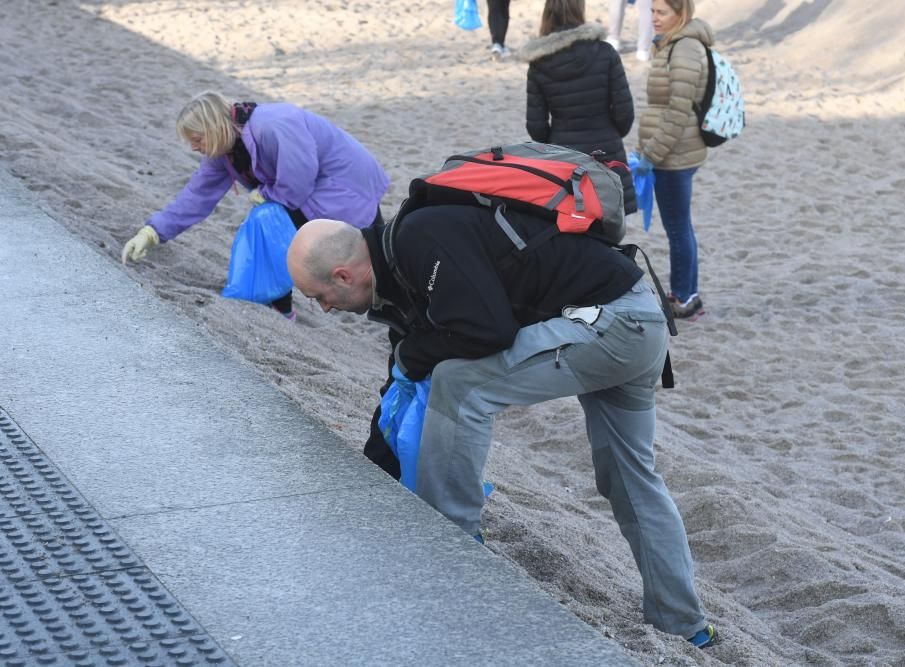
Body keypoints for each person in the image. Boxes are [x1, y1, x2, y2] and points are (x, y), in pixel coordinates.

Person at [286, 207, 718, 648]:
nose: (324, 308)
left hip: (610, 323)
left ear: (342, 276)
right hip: (639, 316)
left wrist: (412, 354)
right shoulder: (400, 267)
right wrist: (373, 475)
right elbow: (403, 386)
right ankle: (684, 624)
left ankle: (451, 552)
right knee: (630, 477)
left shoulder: (419, 243)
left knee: (459, 384)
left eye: (317, 296)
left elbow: (488, 332)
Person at [121, 90, 389, 320]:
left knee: (379, 269)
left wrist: (268, 193)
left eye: (197, 138)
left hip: (347, 187)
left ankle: (265, 303)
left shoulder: (272, 125)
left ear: (213, 127)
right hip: (315, 194)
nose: (194, 147)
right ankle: (276, 305)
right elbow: (196, 196)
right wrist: (153, 232)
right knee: (269, 224)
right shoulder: (225, 151)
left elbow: (299, 177)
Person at [634, 0, 710, 319]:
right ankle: (687, 293)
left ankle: (683, 297)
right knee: (681, 226)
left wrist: (651, 154)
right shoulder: (671, 45)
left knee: (678, 229)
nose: (654, 18)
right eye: (652, 11)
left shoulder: (684, 50)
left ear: (681, 14)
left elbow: (678, 111)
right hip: (674, 150)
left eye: (661, 12)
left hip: (674, 154)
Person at [521, 0, 634, 165]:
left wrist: (554, 142)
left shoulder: (539, 63)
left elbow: (536, 126)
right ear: (580, 9)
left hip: (563, 154)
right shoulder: (605, 52)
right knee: (612, 190)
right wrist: (610, 133)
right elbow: (624, 113)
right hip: (607, 150)